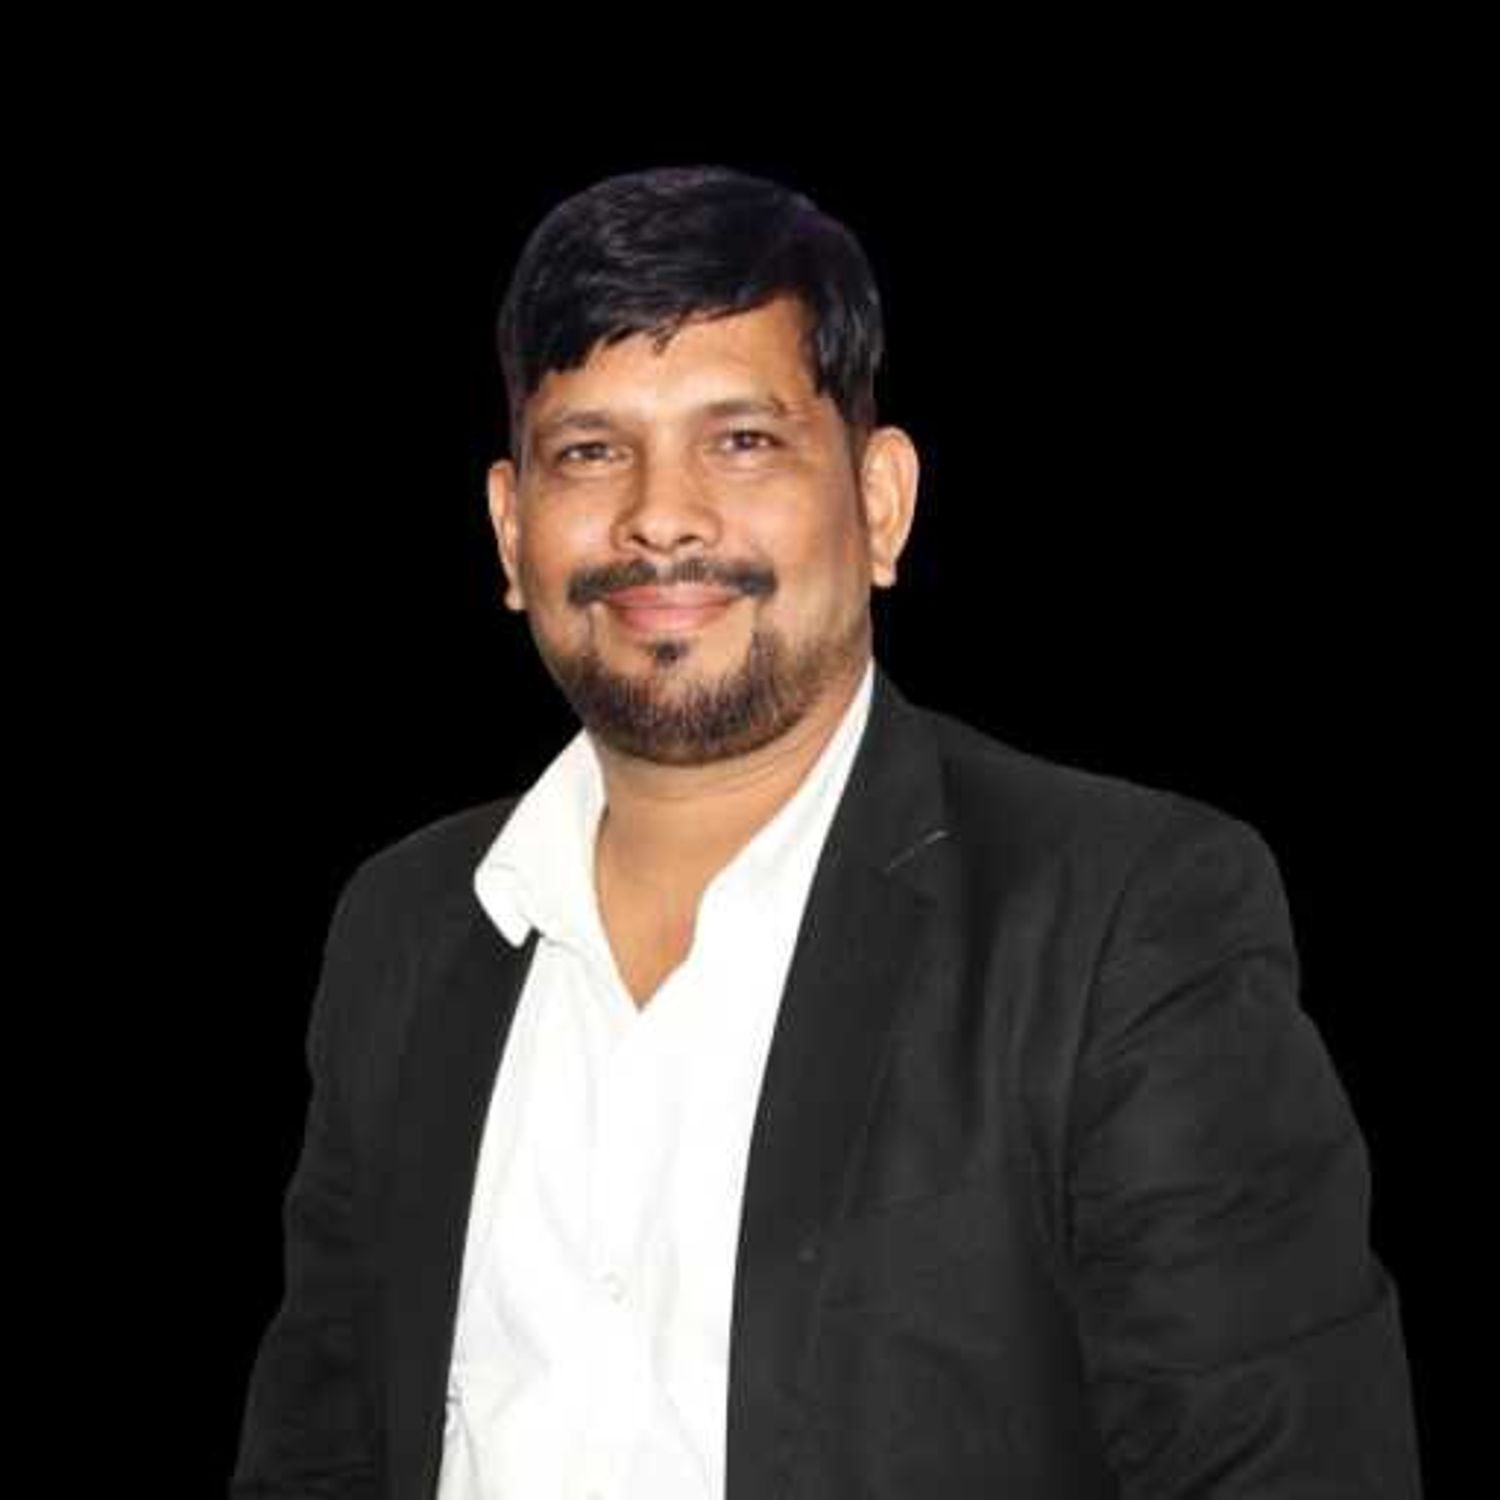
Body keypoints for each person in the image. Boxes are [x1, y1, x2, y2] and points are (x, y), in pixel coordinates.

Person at [230, 164, 1422, 1498]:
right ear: (512, 531)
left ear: (880, 501)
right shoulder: (405, 931)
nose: (660, 516)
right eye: (591, 451)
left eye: (742, 441)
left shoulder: (1119, 925)